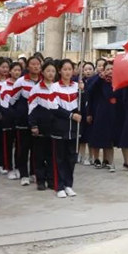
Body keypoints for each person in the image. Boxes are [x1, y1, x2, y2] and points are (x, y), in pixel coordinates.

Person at [48, 59, 83, 197]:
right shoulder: (54, 87)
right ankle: (59, 186)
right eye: (65, 69)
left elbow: (83, 105)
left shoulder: (77, 86)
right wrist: (70, 116)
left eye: (70, 69)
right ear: (60, 71)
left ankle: (69, 184)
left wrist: (83, 91)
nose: (68, 72)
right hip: (59, 128)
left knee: (71, 158)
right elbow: (53, 107)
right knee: (59, 158)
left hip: (74, 129)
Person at [10, 56, 42, 186]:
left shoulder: (43, 81)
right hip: (23, 119)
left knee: (37, 148)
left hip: (39, 119)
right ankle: (23, 173)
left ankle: (34, 172)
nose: (35, 66)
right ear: (27, 67)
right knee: (23, 147)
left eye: (38, 64)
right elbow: (12, 100)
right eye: (32, 64)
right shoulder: (21, 81)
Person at [85, 62, 120, 173]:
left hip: (112, 112)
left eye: (112, 69)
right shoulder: (98, 80)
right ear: (103, 70)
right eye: (108, 69)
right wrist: (89, 113)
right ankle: (96, 159)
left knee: (110, 138)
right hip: (98, 112)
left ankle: (108, 161)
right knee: (97, 136)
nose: (110, 71)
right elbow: (89, 92)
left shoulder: (117, 81)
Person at [28, 61, 56, 191]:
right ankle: (40, 180)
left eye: (53, 71)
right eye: (48, 71)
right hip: (40, 125)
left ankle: (51, 180)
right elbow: (31, 108)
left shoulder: (57, 87)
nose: (51, 73)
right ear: (43, 72)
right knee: (39, 155)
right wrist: (33, 125)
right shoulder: (36, 89)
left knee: (52, 155)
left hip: (54, 127)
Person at [0, 61, 21, 180]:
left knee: (19, 145)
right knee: (7, 144)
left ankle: (18, 167)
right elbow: (4, 102)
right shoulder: (5, 84)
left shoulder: (23, 83)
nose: (17, 72)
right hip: (8, 117)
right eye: (15, 70)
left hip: (20, 119)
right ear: (10, 71)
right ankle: (8, 167)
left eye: (19, 70)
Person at [78, 61, 95, 165]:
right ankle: (81, 155)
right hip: (82, 111)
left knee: (91, 136)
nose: (88, 71)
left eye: (90, 69)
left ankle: (91, 156)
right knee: (82, 136)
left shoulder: (95, 81)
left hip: (92, 111)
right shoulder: (80, 82)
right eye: (85, 69)